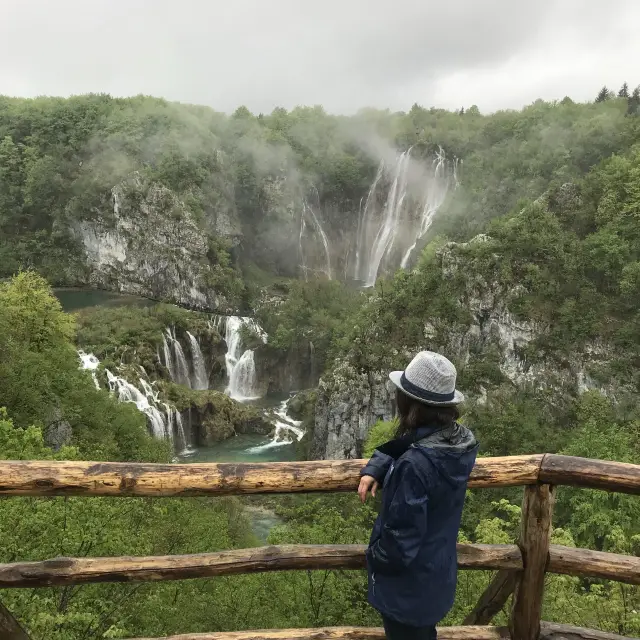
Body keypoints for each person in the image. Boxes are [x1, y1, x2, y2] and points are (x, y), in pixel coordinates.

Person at [358, 351, 479, 640]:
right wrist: (379, 463)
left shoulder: (415, 464)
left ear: (410, 403)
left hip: (407, 591)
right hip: (435, 576)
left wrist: (372, 557)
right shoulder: (459, 442)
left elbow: (400, 541)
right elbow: (410, 444)